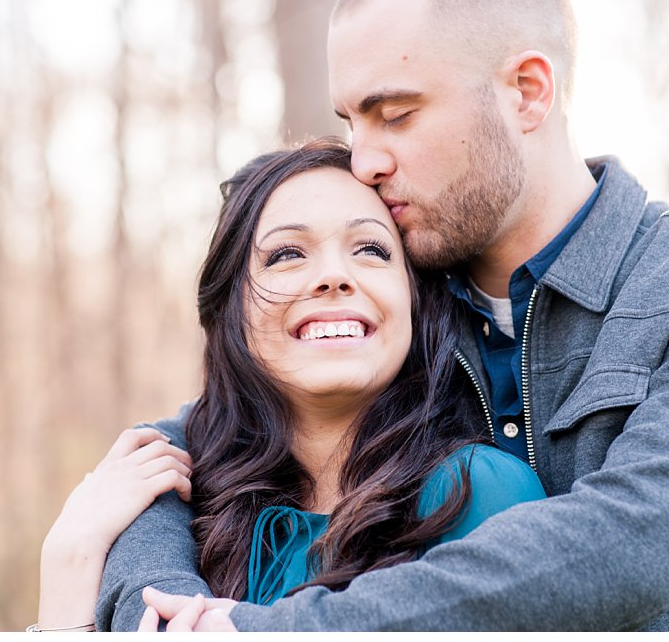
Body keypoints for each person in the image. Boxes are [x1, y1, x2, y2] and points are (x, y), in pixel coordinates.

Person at [103, 0, 669, 632]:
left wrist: (272, 629)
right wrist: (168, 603)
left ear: (528, 92)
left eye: (396, 114)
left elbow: (639, 540)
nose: (364, 162)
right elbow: (195, 446)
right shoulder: (399, 299)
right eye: (353, 123)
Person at [32, 137, 545, 632]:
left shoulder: (481, 494)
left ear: (414, 301)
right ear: (230, 308)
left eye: (370, 248)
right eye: (287, 254)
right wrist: (68, 566)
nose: (333, 276)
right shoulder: (178, 505)